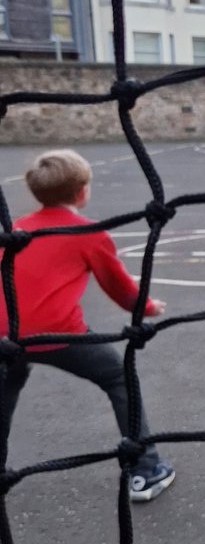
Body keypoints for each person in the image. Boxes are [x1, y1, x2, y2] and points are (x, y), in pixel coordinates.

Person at [0, 149, 175, 502]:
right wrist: (149, 307)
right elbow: (121, 290)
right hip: (58, 333)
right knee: (119, 377)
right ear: (82, 191)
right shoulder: (89, 232)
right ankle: (144, 470)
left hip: (4, 335)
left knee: (6, 389)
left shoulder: (15, 229)